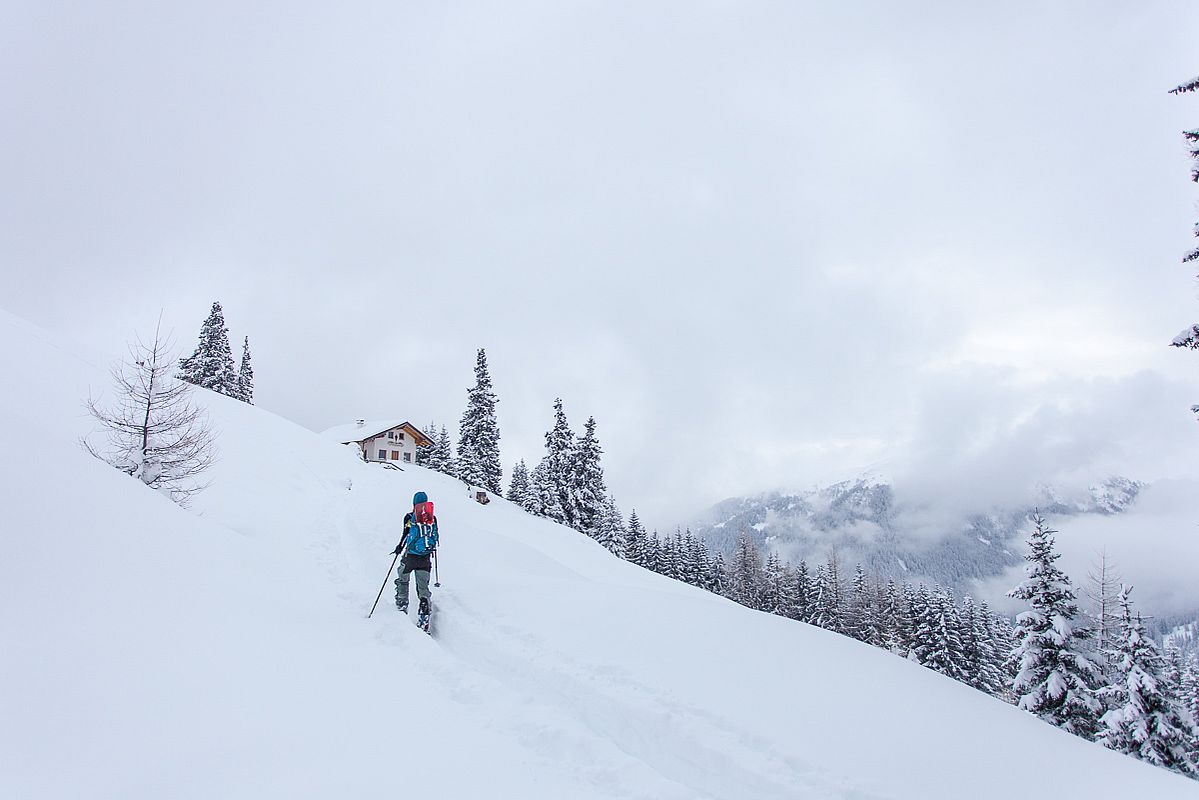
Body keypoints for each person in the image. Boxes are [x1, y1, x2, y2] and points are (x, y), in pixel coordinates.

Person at [393, 491, 438, 616]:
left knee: (403, 578)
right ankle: (425, 607)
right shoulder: (432, 518)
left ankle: (402, 605)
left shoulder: (409, 516)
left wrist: (399, 548)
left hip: (410, 557)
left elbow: (405, 535)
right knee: (423, 586)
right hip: (425, 557)